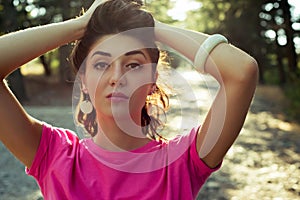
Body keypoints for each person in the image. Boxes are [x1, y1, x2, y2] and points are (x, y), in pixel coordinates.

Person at [0, 0, 258, 199]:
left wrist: (152, 28)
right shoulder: (54, 156)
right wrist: (80, 25)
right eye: (101, 64)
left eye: (133, 65)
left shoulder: (182, 162)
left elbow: (242, 71)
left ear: (152, 79)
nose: (116, 77)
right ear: (84, 82)